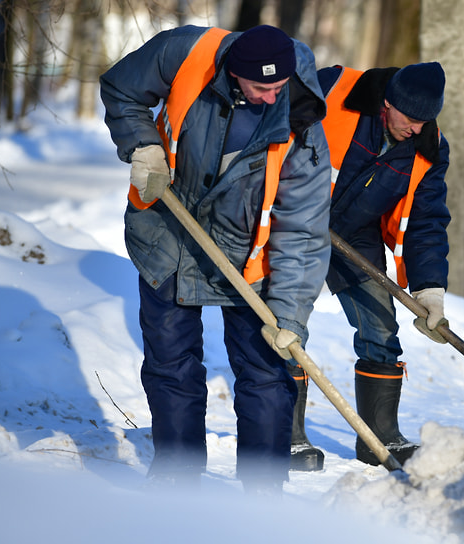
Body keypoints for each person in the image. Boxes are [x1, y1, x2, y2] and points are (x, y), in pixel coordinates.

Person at [99, 24, 331, 493]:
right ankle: (177, 478)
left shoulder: (301, 121)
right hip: (168, 232)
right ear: (232, 74)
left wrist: (289, 315)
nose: (271, 97)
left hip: (250, 257)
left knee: (266, 372)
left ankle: (262, 493)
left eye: (278, 85)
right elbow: (121, 87)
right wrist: (143, 147)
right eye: (260, 87)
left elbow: (303, 231)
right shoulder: (187, 52)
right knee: (171, 363)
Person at [285, 62, 451, 469]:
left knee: (380, 326)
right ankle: (282, 434)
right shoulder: (332, 93)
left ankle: (381, 437)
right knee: (285, 323)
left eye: (425, 121)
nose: (416, 129)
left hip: (353, 232)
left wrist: (429, 287)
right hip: (293, 221)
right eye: (410, 119)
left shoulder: (428, 148)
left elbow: (427, 220)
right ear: (387, 103)